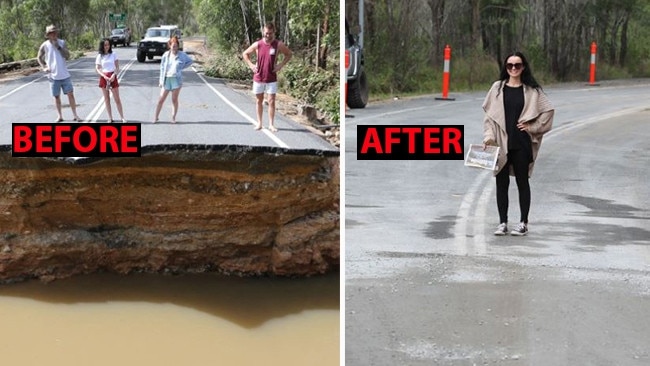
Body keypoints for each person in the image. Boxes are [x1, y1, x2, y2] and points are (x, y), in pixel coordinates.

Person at [482, 51, 554, 236]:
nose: (513, 68)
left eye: (517, 65)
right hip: (501, 142)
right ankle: (502, 222)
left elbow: (548, 111)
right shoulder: (497, 88)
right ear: (505, 68)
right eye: (510, 65)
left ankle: (523, 223)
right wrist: (488, 138)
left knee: (522, 182)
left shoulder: (532, 90)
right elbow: (489, 118)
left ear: (523, 67)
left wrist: (533, 126)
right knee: (501, 182)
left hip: (521, 142)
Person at [242, 22, 293, 132]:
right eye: (266, 33)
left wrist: (280, 65)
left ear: (274, 32)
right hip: (259, 77)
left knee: (271, 101)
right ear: (263, 32)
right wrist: (251, 65)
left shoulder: (278, 44)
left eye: (270, 33)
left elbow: (289, 54)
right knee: (259, 100)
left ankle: (271, 124)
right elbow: (245, 54)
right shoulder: (258, 44)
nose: (268, 35)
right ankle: (259, 123)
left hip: (271, 78)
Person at [37, 24, 81, 122]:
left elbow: (67, 56)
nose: (54, 34)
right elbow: (39, 57)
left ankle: (75, 115)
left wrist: (59, 47)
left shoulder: (62, 42)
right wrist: (44, 67)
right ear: (48, 35)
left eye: (55, 32)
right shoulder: (45, 45)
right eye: (51, 33)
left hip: (65, 75)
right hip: (53, 76)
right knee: (56, 96)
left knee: (70, 94)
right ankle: (60, 116)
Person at [153, 35, 193, 123]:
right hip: (166, 79)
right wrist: (160, 81)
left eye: (176, 46)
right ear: (170, 46)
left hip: (176, 79)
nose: (174, 48)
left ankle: (173, 117)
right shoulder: (166, 55)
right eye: (173, 46)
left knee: (174, 99)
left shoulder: (182, 55)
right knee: (161, 99)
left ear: (178, 46)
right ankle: (156, 117)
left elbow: (190, 61)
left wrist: (181, 68)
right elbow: (162, 68)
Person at [95, 39, 126, 123]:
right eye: (105, 45)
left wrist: (113, 75)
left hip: (112, 76)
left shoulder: (113, 54)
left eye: (108, 45)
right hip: (104, 77)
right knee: (106, 99)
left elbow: (117, 67)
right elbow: (97, 68)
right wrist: (104, 76)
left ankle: (122, 117)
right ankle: (110, 118)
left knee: (117, 99)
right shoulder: (100, 56)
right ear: (102, 46)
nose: (107, 46)